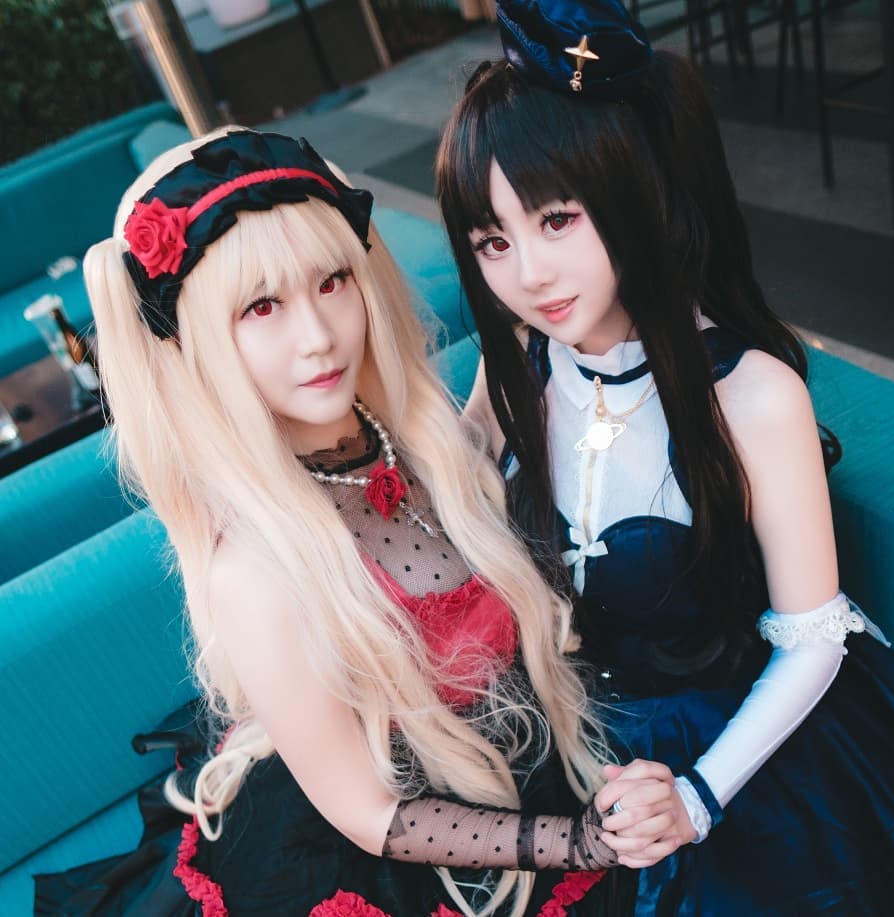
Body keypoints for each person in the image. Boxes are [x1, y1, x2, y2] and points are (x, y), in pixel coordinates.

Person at [32, 127, 686, 917]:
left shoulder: (423, 440)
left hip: (527, 753)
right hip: (396, 839)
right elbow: (368, 812)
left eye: (332, 281)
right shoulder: (252, 569)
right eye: (262, 306)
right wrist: (580, 841)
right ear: (196, 340)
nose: (318, 337)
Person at [435, 1, 894, 913]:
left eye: (555, 219)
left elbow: (814, 638)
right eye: (493, 241)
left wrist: (695, 801)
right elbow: (446, 506)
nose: (527, 275)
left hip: (741, 751)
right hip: (577, 739)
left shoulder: (752, 393)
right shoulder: (517, 365)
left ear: (633, 194)